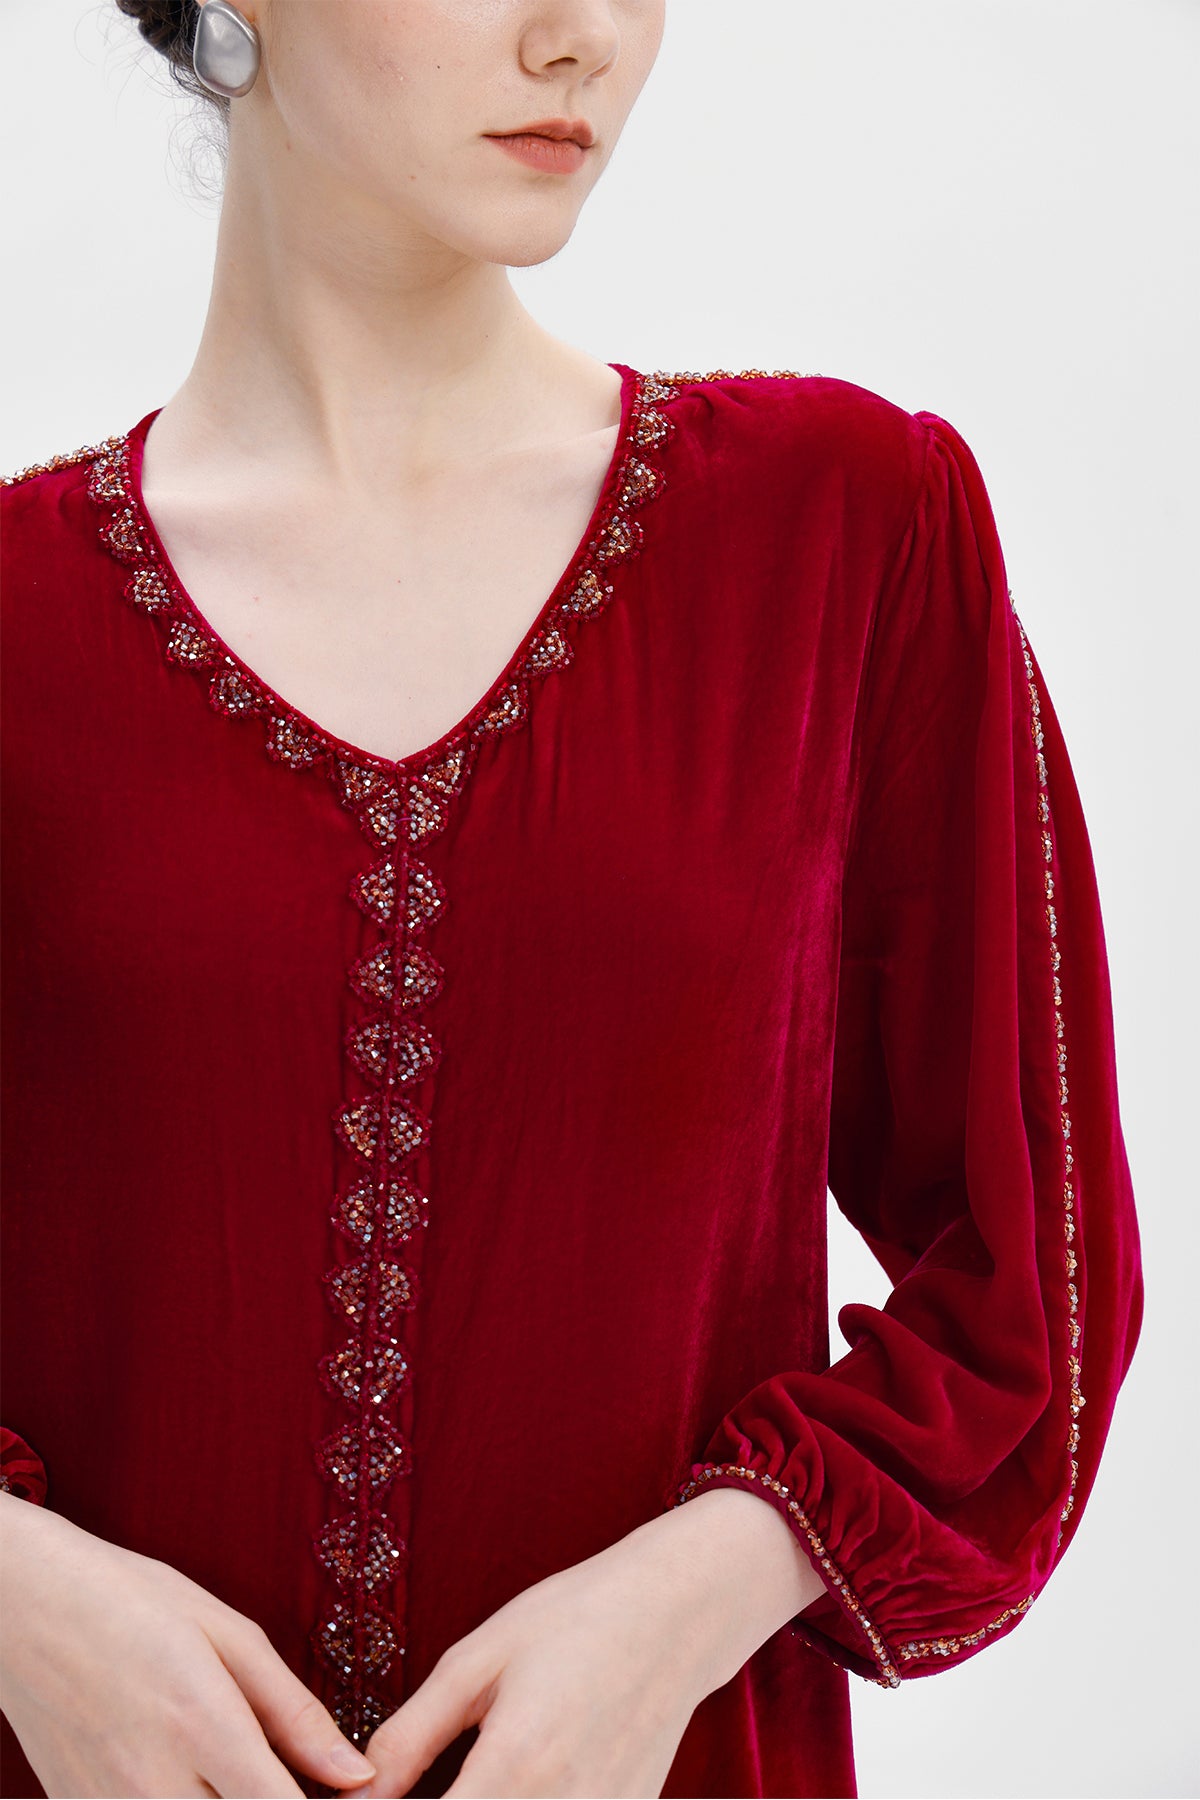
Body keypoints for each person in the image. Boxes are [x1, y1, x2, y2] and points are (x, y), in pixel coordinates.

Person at [0, 2, 1144, 1797]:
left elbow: (1030, 1288)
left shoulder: (844, 538)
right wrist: (19, 1602)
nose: (583, 37)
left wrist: (690, 1598)